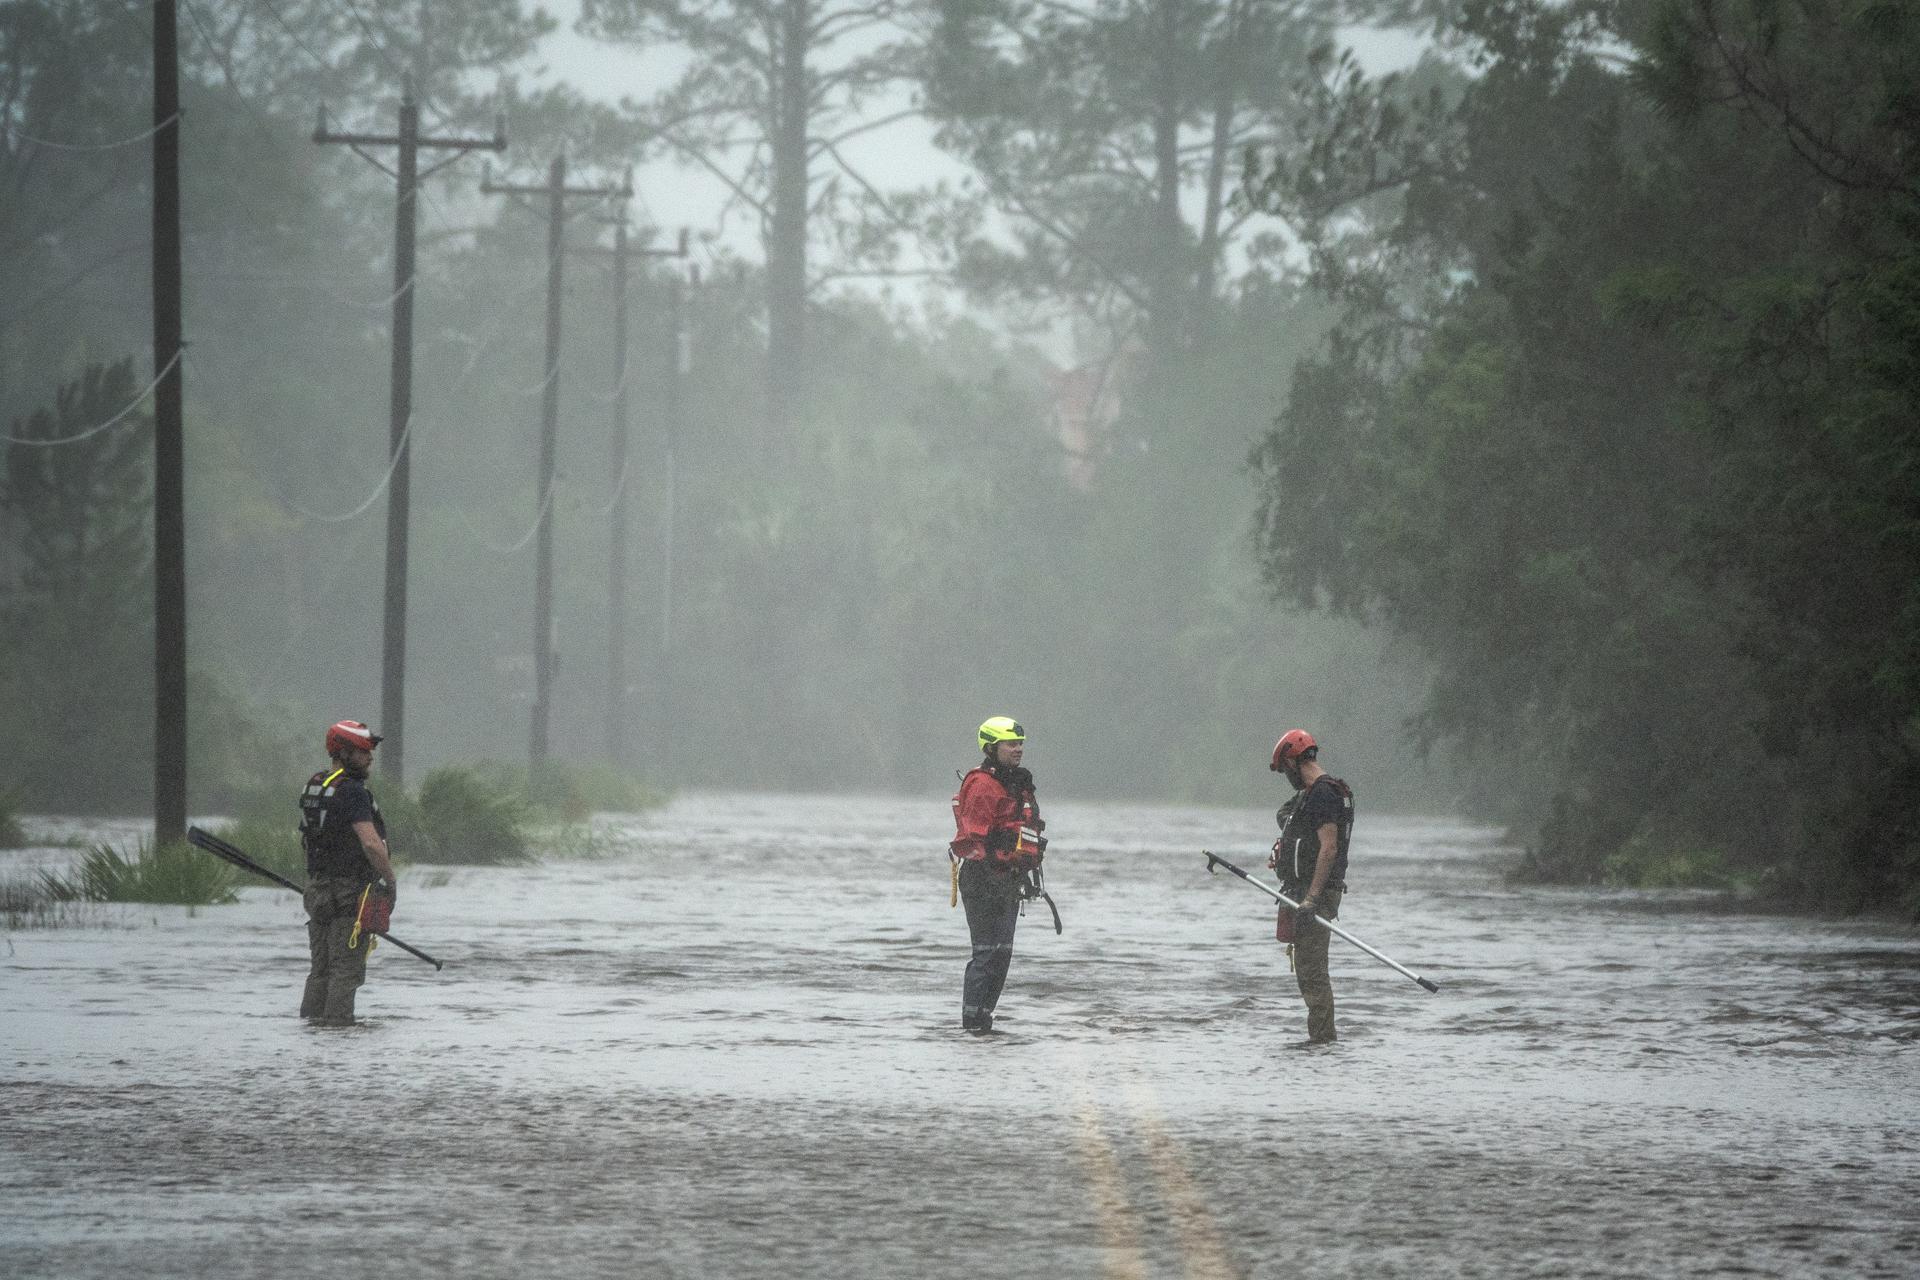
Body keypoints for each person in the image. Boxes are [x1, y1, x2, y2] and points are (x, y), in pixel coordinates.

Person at [949, 716, 1046, 1033]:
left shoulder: (1016, 783)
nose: (1018, 749)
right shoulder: (982, 786)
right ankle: (972, 1024)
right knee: (986, 955)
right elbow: (972, 840)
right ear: (992, 747)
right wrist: (997, 867)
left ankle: (984, 1020)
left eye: (1020, 743)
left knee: (1001, 957)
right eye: (1011, 744)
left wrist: (1022, 870)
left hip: (1008, 879)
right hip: (983, 878)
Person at [297, 719, 398, 1026]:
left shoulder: (317, 784)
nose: (370, 757)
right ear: (343, 753)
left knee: (321, 969)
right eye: (363, 751)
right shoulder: (353, 791)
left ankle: (311, 1028)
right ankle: (339, 1035)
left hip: (317, 892)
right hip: (348, 894)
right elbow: (370, 843)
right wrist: (390, 881)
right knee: (346, 970)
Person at [1267, 729, 1355, 1044]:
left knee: (1314, 975)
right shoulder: (1309, 794)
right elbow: (1288, 819)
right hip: (1302, 891)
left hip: (1315, 896)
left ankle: (1322, 1046)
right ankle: (1320, 1042)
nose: (1286, 776)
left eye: (1284, 769)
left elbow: (1329, 848)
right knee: (1308, 973)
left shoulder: (1324, 794)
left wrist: (1311, 900)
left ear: (1293, 760)